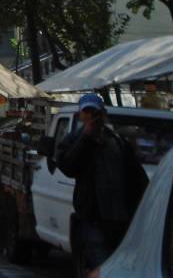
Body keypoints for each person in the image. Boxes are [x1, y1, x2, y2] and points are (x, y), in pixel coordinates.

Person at [55, 93, 148, 278]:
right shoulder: (75, 140)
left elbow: (138, 178)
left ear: (102, 114)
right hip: (93, 218)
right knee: (103, 266)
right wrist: (87, 137)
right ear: (81, 115)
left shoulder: (117, 142)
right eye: (86, 112)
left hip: (120, 220)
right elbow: (68, 166)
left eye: (94, 112)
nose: (91, 116)